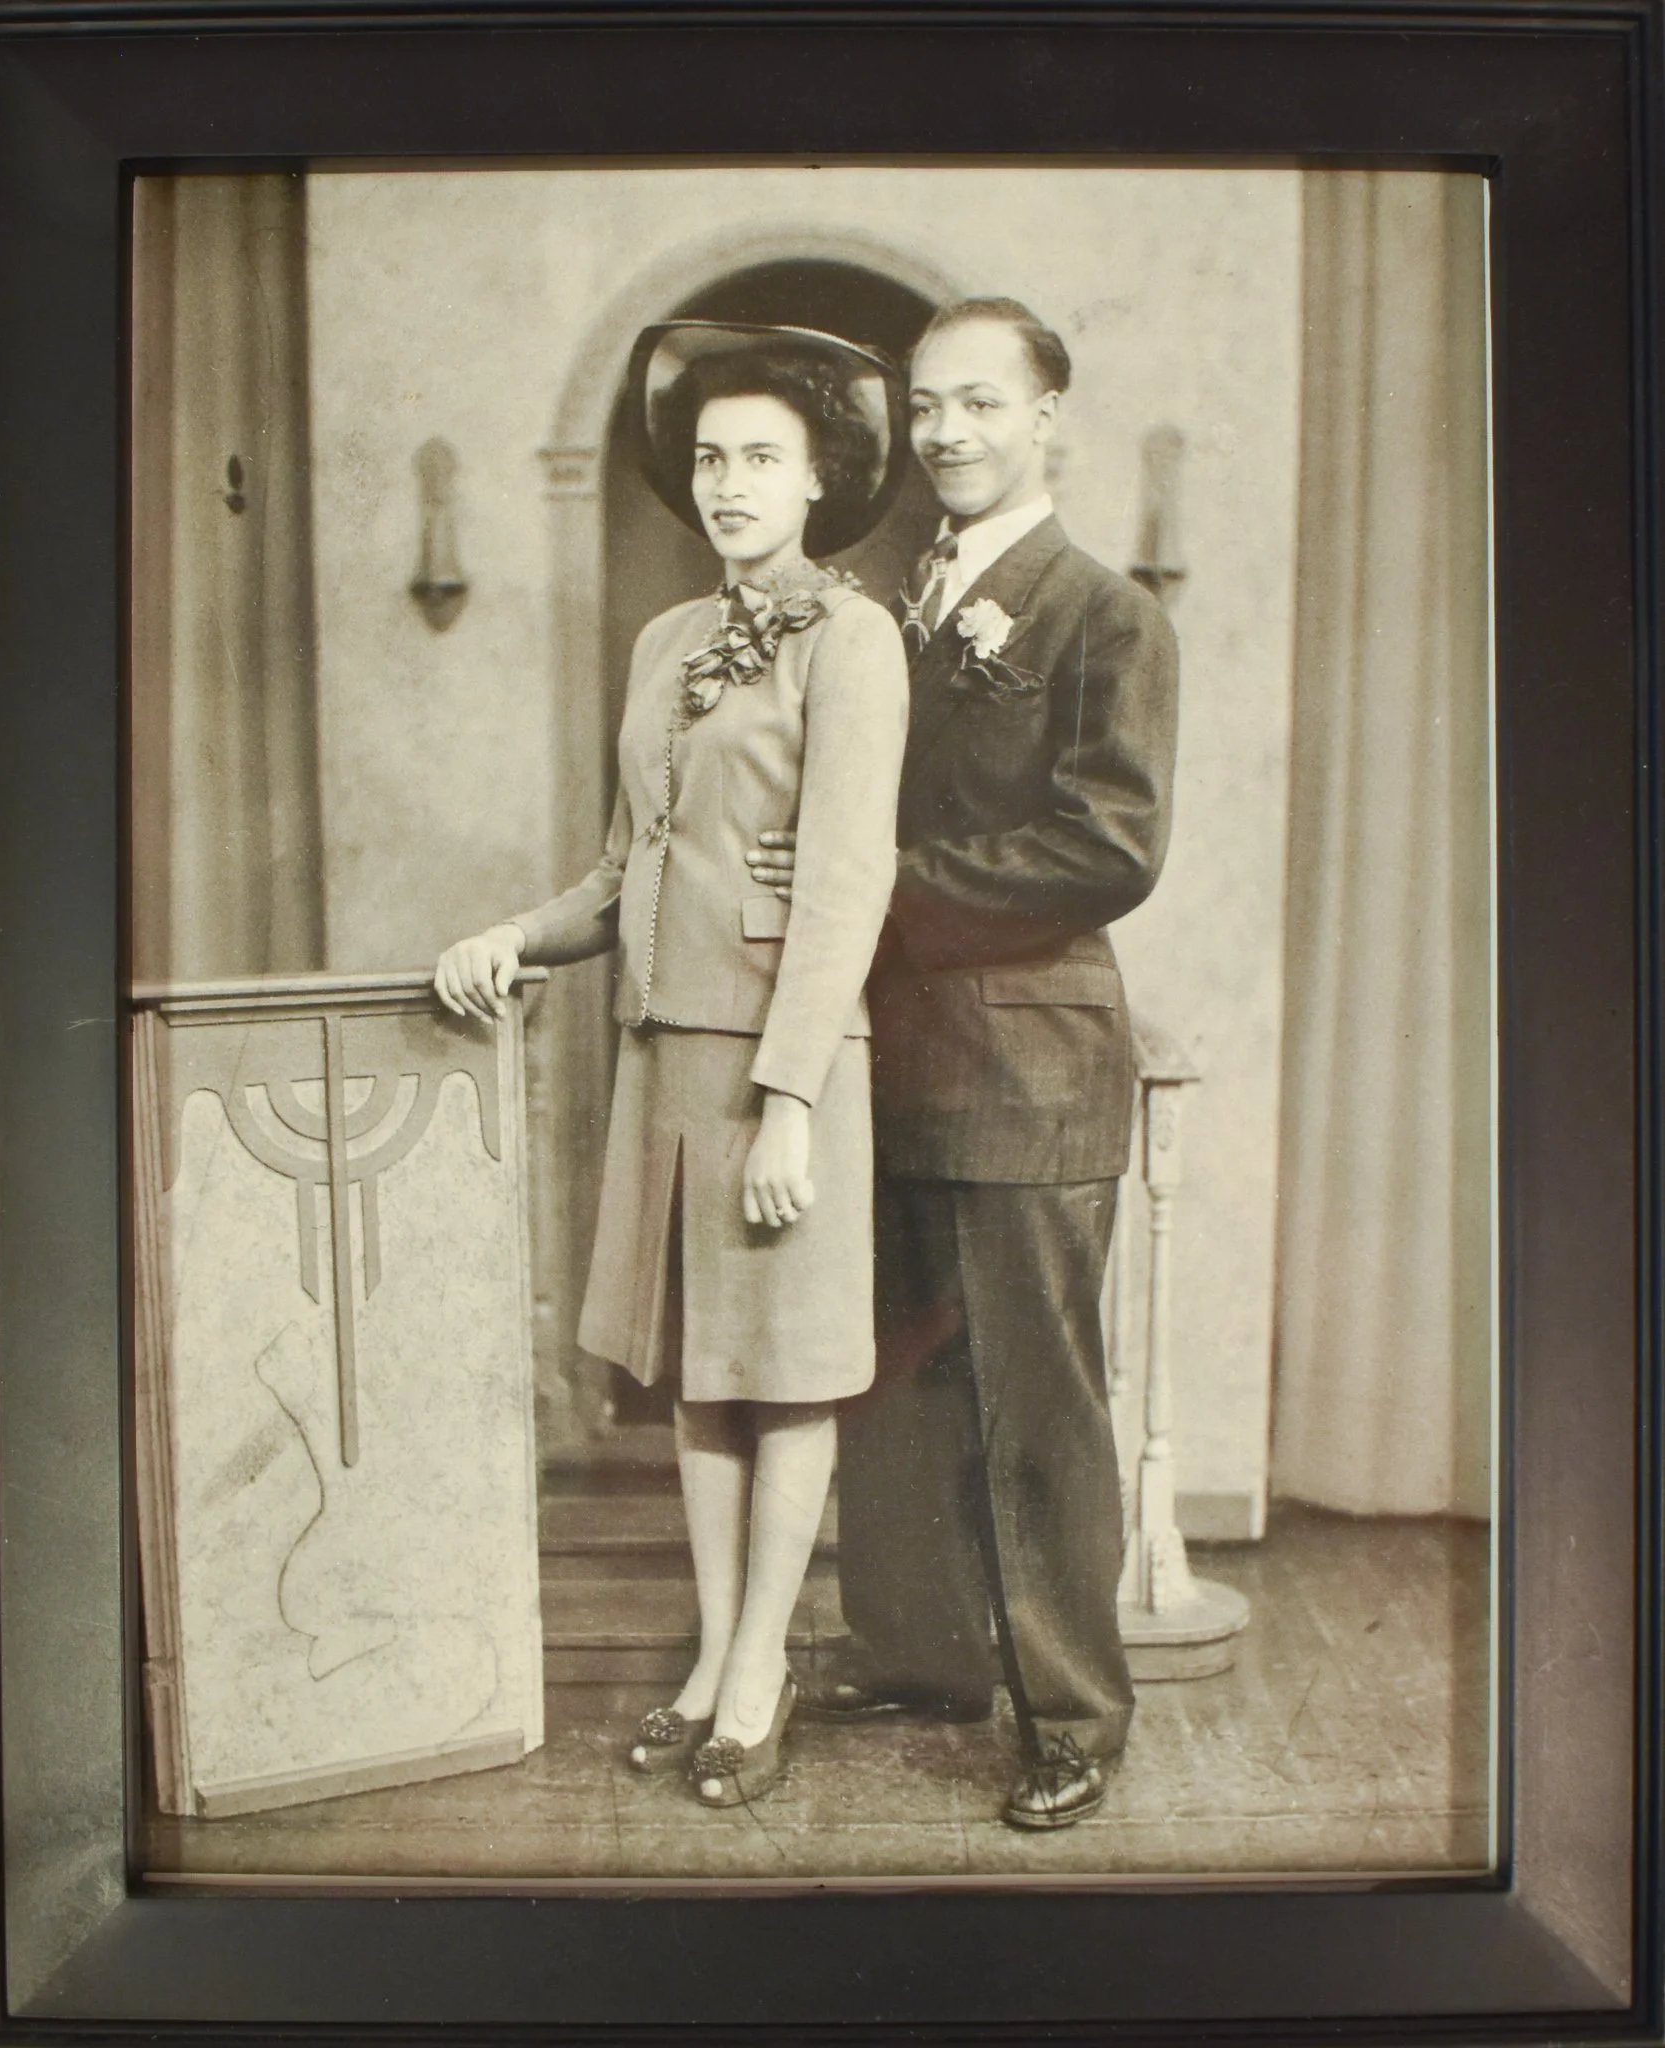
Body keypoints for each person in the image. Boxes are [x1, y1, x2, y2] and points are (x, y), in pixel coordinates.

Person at [436, 322, 909, 1807]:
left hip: (785, 1063)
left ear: (819, 478)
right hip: (662, 1057)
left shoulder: (856, 639)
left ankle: (763, 1667)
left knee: (789, 1380)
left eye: (761, 456)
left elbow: (843, 882)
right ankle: (714, 1656)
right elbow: (624, 864)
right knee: (705, 1380)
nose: (728, 482)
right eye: (710, 456)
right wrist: (509, 936)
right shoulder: (662, 642)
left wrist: (787, 1107)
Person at [749, 297, 1178, 1830]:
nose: (945, 434)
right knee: (899, 1383)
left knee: (1036, 1403)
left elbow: (1106, 845)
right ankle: (918, 1653)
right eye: (927, 407)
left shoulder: (1101, 612)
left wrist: (875, 895)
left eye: (980, 405)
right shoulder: (885, 603)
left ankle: (1072, 1710)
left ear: (1049, 414)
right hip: (892, 1058)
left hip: (1027, 1065)